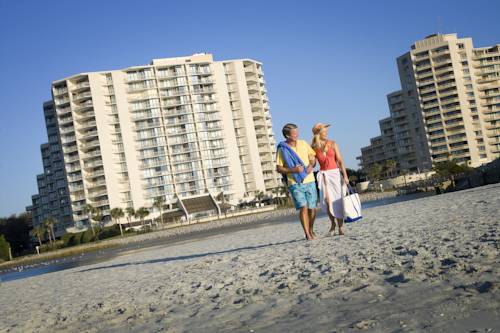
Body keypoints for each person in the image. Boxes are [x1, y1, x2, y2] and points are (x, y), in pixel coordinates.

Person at [276, 123, 318, 240]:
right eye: (294, 133)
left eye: (297, 132)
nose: (297, 135)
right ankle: (307, 234)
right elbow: (279, 168)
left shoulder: (304, 143)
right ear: (287, 135)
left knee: (313, 208)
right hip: (294, 182)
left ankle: (310, 229)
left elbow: (313, 158)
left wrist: (311, 165)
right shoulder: (282, 149)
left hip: (309, 180)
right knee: (303, 207)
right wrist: (292, 169)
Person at [311, 123, 349, 236]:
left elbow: (340, 161)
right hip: (324, 175)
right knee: (327, 201)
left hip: (335, 174)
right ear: (318, 133)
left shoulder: (333, 143)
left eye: (326, 131)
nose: (326, 132)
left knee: (338, 200)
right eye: (324, 131)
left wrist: (345, 176)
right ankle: (333, 224)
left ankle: (340, 227)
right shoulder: (314, 147)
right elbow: (313, 164)